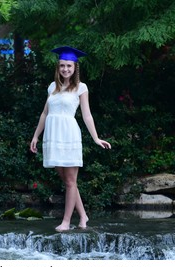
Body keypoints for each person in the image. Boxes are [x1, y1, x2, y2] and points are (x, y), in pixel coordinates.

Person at [30, 46, 111, 231]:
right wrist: (36, 136)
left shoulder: (81, 88)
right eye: (62, 66)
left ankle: (66, 221)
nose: (65, 69)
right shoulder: (52, 87)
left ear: (75, 68)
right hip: (52, 136)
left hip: (69, 135)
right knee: (67, 180)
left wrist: (96, 138)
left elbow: (87, 115)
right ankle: (83, 215)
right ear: (58, 67)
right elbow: (44, 113)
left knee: (70, 181)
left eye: (69, 66)